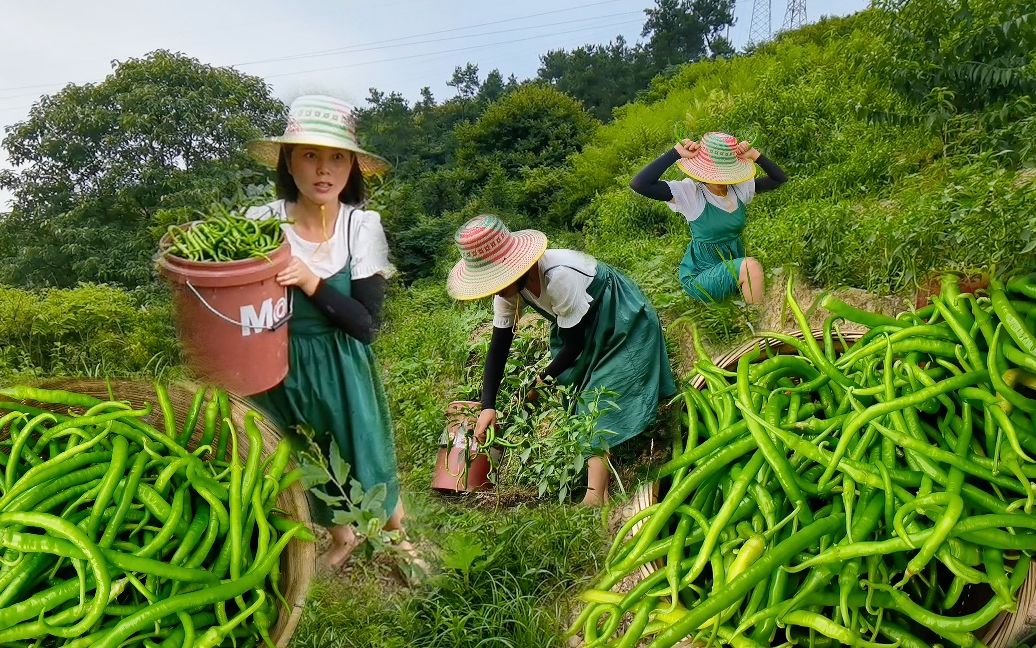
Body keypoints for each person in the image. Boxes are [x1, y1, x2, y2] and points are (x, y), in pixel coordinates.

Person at [243, 94, 414, 570]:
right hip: (278, 362)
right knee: (302, 453)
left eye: (337, 157)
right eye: (310, 155)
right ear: (289, 163)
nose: (324, 169)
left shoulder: (361, 227)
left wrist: (311, 281)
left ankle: (398, 537)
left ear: (352, 166)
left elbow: (365, 324)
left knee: (363, 450)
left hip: (341, 363)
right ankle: (342, 536)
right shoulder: (261, 222)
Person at [445, 215, 677, 506]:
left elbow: (573, 347)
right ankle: (598, 474)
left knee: (598, 395)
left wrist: (539, 383)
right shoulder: (507, 291)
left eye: (498, 281)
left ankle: (595, 496)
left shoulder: (559, 276)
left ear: (517, 266)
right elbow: (499, 346)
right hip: (578, 324)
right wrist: (488, 405)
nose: (496, 290)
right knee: (579, 390)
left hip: (618, 316)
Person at [629, 131, 787, 305]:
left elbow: (779, 178)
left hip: (732, 267)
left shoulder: (738, 189)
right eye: (715, 172)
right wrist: (675, 153)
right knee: (751, 267)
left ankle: (744, 307)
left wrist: (754, 155)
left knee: (748, 268)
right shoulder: (692, 195)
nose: (720, 178)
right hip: (701, 275)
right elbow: (640, 184)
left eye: (724, 172)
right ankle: (759, 326)